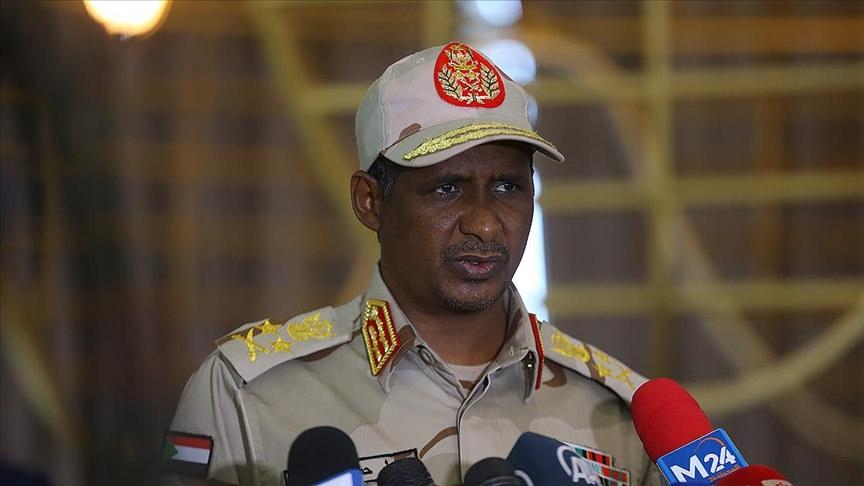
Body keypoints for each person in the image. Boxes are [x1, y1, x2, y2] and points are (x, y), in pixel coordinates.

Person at [161, 42, 660, 486]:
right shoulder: (244, 395)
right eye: (446, 188)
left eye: (508, 187)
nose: (485, 225)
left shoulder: (622, 411)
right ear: (370, 202)